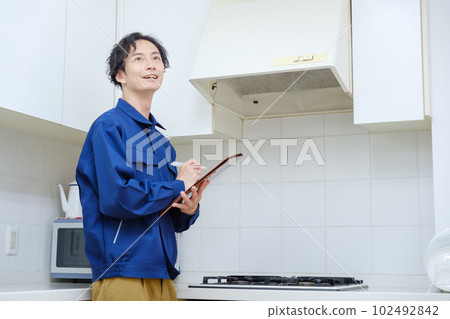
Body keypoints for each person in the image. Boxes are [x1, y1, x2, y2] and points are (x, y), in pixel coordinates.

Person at [76, 32, 209, 301]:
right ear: (120, 75)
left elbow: (167, 214)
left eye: (156, 59)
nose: (151, 65)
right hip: (124, 273)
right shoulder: (109, 127)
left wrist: (187, 207)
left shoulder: (159, 141)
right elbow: (118, 198)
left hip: (161, 273)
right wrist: (177, 185)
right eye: (139, 59)